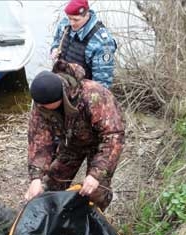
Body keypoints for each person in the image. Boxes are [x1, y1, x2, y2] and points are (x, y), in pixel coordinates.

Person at [25, 60, 124, 211]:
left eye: (48, 107)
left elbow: (113, 136)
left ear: (62, 97)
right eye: (41, 107)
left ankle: (95, 219)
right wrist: (36, 178)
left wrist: (95, 175)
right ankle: (51, 219)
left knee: (95, 191)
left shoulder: (93, 95)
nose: (43, 109)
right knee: (49, 186)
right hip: (72, 142)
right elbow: (39, 142)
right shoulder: (41, 106)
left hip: (101, 144)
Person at [50, 0, 117, 89]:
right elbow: (56, 41)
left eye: (76, 20)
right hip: (61, 82)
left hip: (82, 92)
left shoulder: (102, 42)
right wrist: (54, 49)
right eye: (69, 18)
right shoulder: (65, 23)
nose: (71, 23)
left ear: (87, 14)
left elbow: (102, 84)